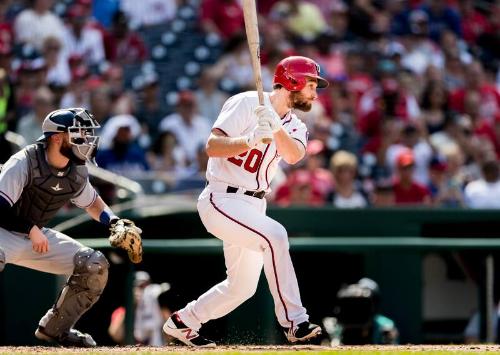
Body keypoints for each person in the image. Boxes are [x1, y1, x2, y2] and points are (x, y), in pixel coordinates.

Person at [162, 56, 328, 346]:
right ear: (292, 82)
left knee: (241, 287)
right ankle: (295, 323)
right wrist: (250, 139)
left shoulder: (296, 125)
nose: (315, 93)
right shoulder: (246, 103)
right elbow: (212, 147)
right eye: (311, 85)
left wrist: (274, 127)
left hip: (254, 205)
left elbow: (293, 155)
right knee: (276, 235)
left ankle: (183, 322)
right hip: (222, 198)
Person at [0, 108, 140, 347]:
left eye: (86, 133)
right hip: (5, 231)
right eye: (77, 133)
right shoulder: (24, 161)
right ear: (56, 137)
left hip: (35, 236)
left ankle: (56, 330)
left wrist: (114, 222)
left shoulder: (76, 169)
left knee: (94, 265)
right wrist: (30, 228)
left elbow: (92, 203)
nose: (85, 139)